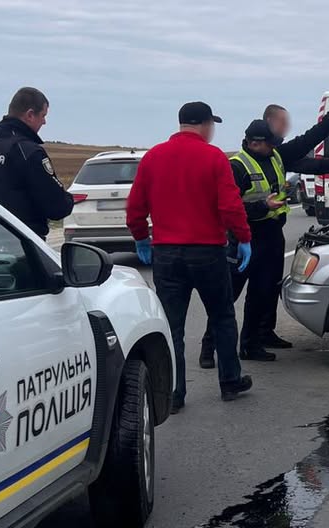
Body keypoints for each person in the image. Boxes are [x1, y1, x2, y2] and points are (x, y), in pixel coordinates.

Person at [199, 104, 329, 367]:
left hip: (271, 235)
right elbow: (227, 208)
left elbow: (307, 143)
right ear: (252, 142)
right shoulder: (236, 167)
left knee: (263, 292)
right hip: (244, 238)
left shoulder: (275, 155)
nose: (274, 147)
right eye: (269, 143)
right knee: (228, 296)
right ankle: (208, 347)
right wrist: (262, 206)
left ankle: (251, 344)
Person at [126, 101, 253, 413]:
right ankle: (229, 381)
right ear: (206, 124)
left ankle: (173, 393)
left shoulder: (153, 157)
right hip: (208, 251)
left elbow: (135, 207)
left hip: (166, 254)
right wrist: (244, 238)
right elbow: (229, 205)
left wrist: (142, 237)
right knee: (222, 316)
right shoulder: (214, 157)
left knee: (172, 327)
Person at [0, 87, 73, 239]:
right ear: (30, 115)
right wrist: (68, 199)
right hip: (21, 243)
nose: (44, 122)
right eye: (43, 115)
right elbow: (57, 207)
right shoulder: (28, 152)